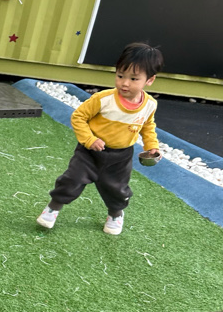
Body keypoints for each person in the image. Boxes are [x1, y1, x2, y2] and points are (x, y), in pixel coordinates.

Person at [37, 42, 163, 235]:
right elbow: (79, 117)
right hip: (89, 153)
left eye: (133, 78)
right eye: (120, 75)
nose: (124, 83)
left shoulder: (149, 105)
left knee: (117, 189)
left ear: (150, 80)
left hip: (120, 157)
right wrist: (89, 139)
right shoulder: (103, 99)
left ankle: (115, 214)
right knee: (72, 179)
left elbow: (148, 126)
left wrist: (152, 146)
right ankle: (53, 208)